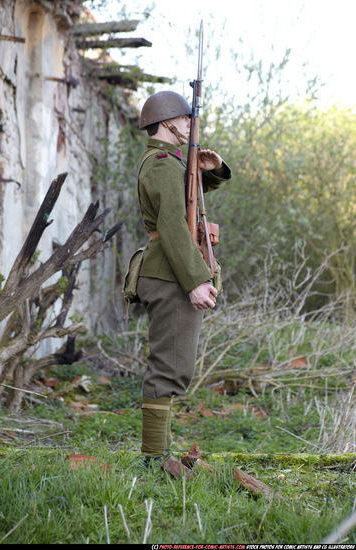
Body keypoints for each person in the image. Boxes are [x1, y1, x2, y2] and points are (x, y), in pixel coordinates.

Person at [137, 90, 231, 477]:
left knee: (175, 367)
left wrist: (212, 168)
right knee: (168, 368)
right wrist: (195, 280)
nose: (192, 125)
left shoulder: (169, 163)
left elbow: (186, 196)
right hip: (171, 275)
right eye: (187, 119)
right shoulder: (161, 164)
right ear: (168, 123)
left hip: (171, 272)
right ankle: (156, 460)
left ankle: (160, 453)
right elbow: (173, 225)